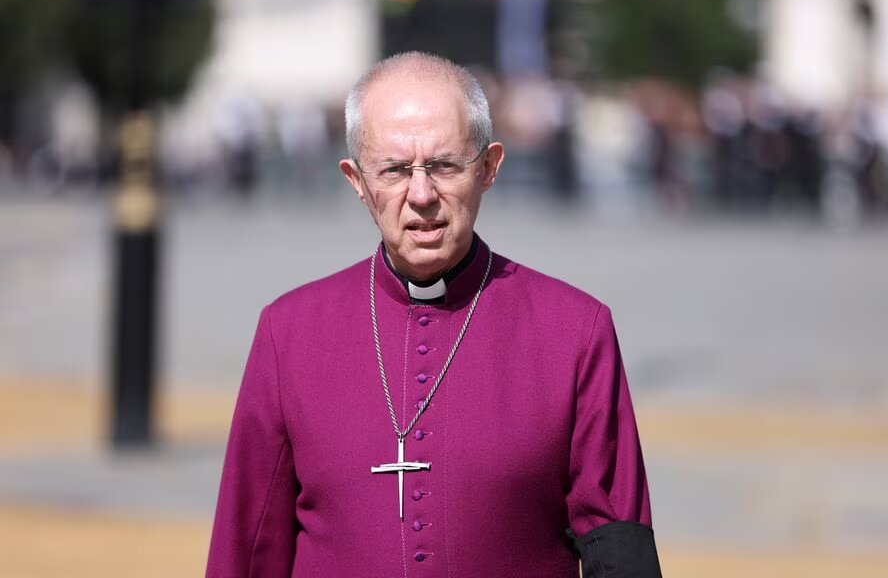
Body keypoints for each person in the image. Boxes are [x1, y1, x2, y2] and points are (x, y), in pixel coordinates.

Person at [206, 52, 662, 577]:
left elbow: (619, 549)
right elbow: (247, 544)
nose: (421, 195)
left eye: (444, 166)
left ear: (488, 168)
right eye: (395, 170)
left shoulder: (575, 331)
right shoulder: (288, 333)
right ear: (356, 180)